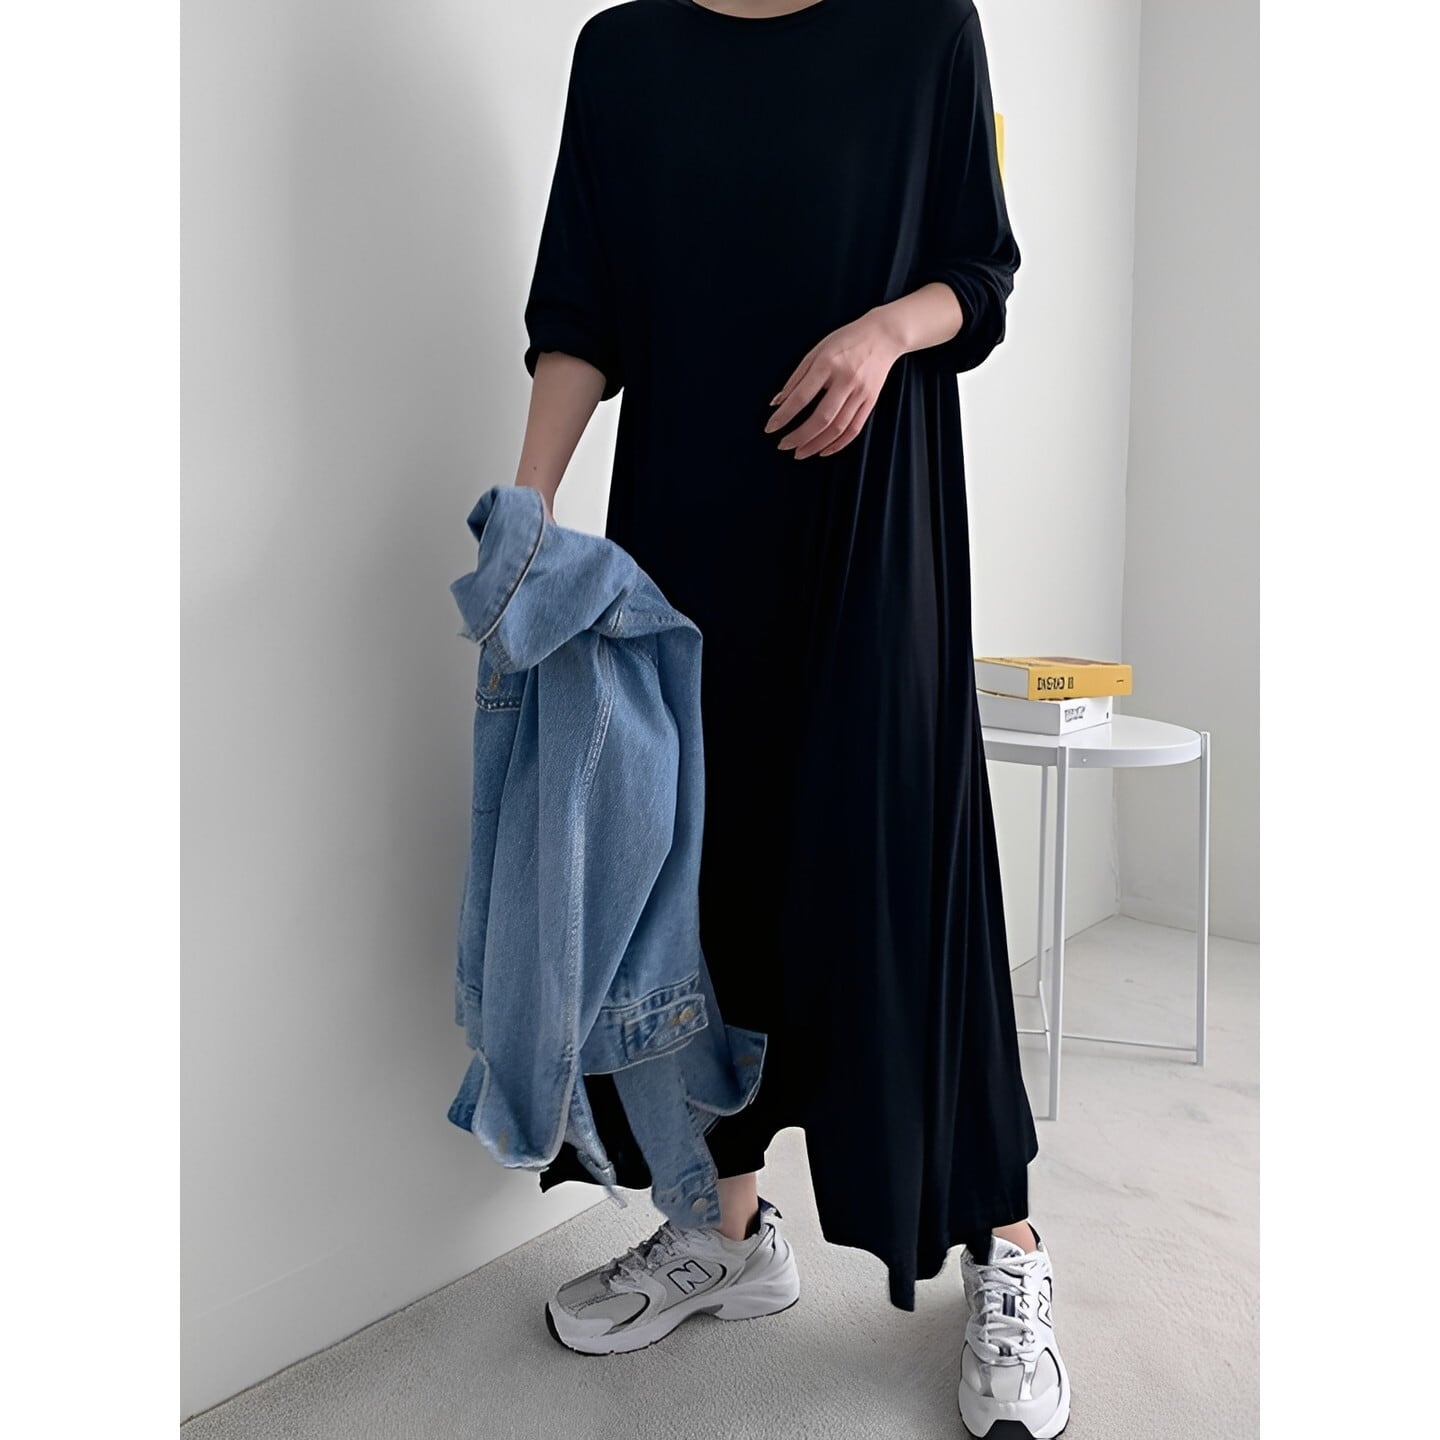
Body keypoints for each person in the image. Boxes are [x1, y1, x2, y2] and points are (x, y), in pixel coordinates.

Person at [511, 2, 1069, 1435]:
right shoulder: (623, 53)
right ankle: (724, 1230)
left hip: (871, 529)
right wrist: (529, 510)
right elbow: (581, 311)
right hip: (686, 533)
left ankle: (1003, 1243)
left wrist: (885, 332)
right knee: (698, 880)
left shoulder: (922, 28)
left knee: (901, 877)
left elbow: (980, 272)